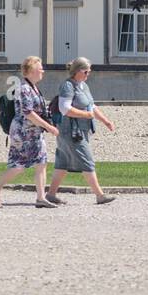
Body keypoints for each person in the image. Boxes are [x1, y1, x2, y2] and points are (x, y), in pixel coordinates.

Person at [0, 56, 59, 208]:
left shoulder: (34, 87)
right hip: (22, 133)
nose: (43, 72)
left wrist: (47, 123)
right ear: (32, 71)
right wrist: (49, 127)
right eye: (40, 69)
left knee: (41, 163)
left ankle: (41, 198)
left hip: (35, 132)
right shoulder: (24, 88)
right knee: (17, 166)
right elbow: (28, 113)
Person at [46, 57, 118, 206]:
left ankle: (51, 194)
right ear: (78, 71)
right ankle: (100, 195)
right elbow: (64, 108)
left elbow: (91, 106)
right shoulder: (67, 86)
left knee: (63, 162)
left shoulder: (83, 86)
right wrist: (86, 115)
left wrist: (105, 121)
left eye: (89, 71)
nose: (88, 74)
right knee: (87, 160)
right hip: (70, 132)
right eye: (86, 71)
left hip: (79, 131)